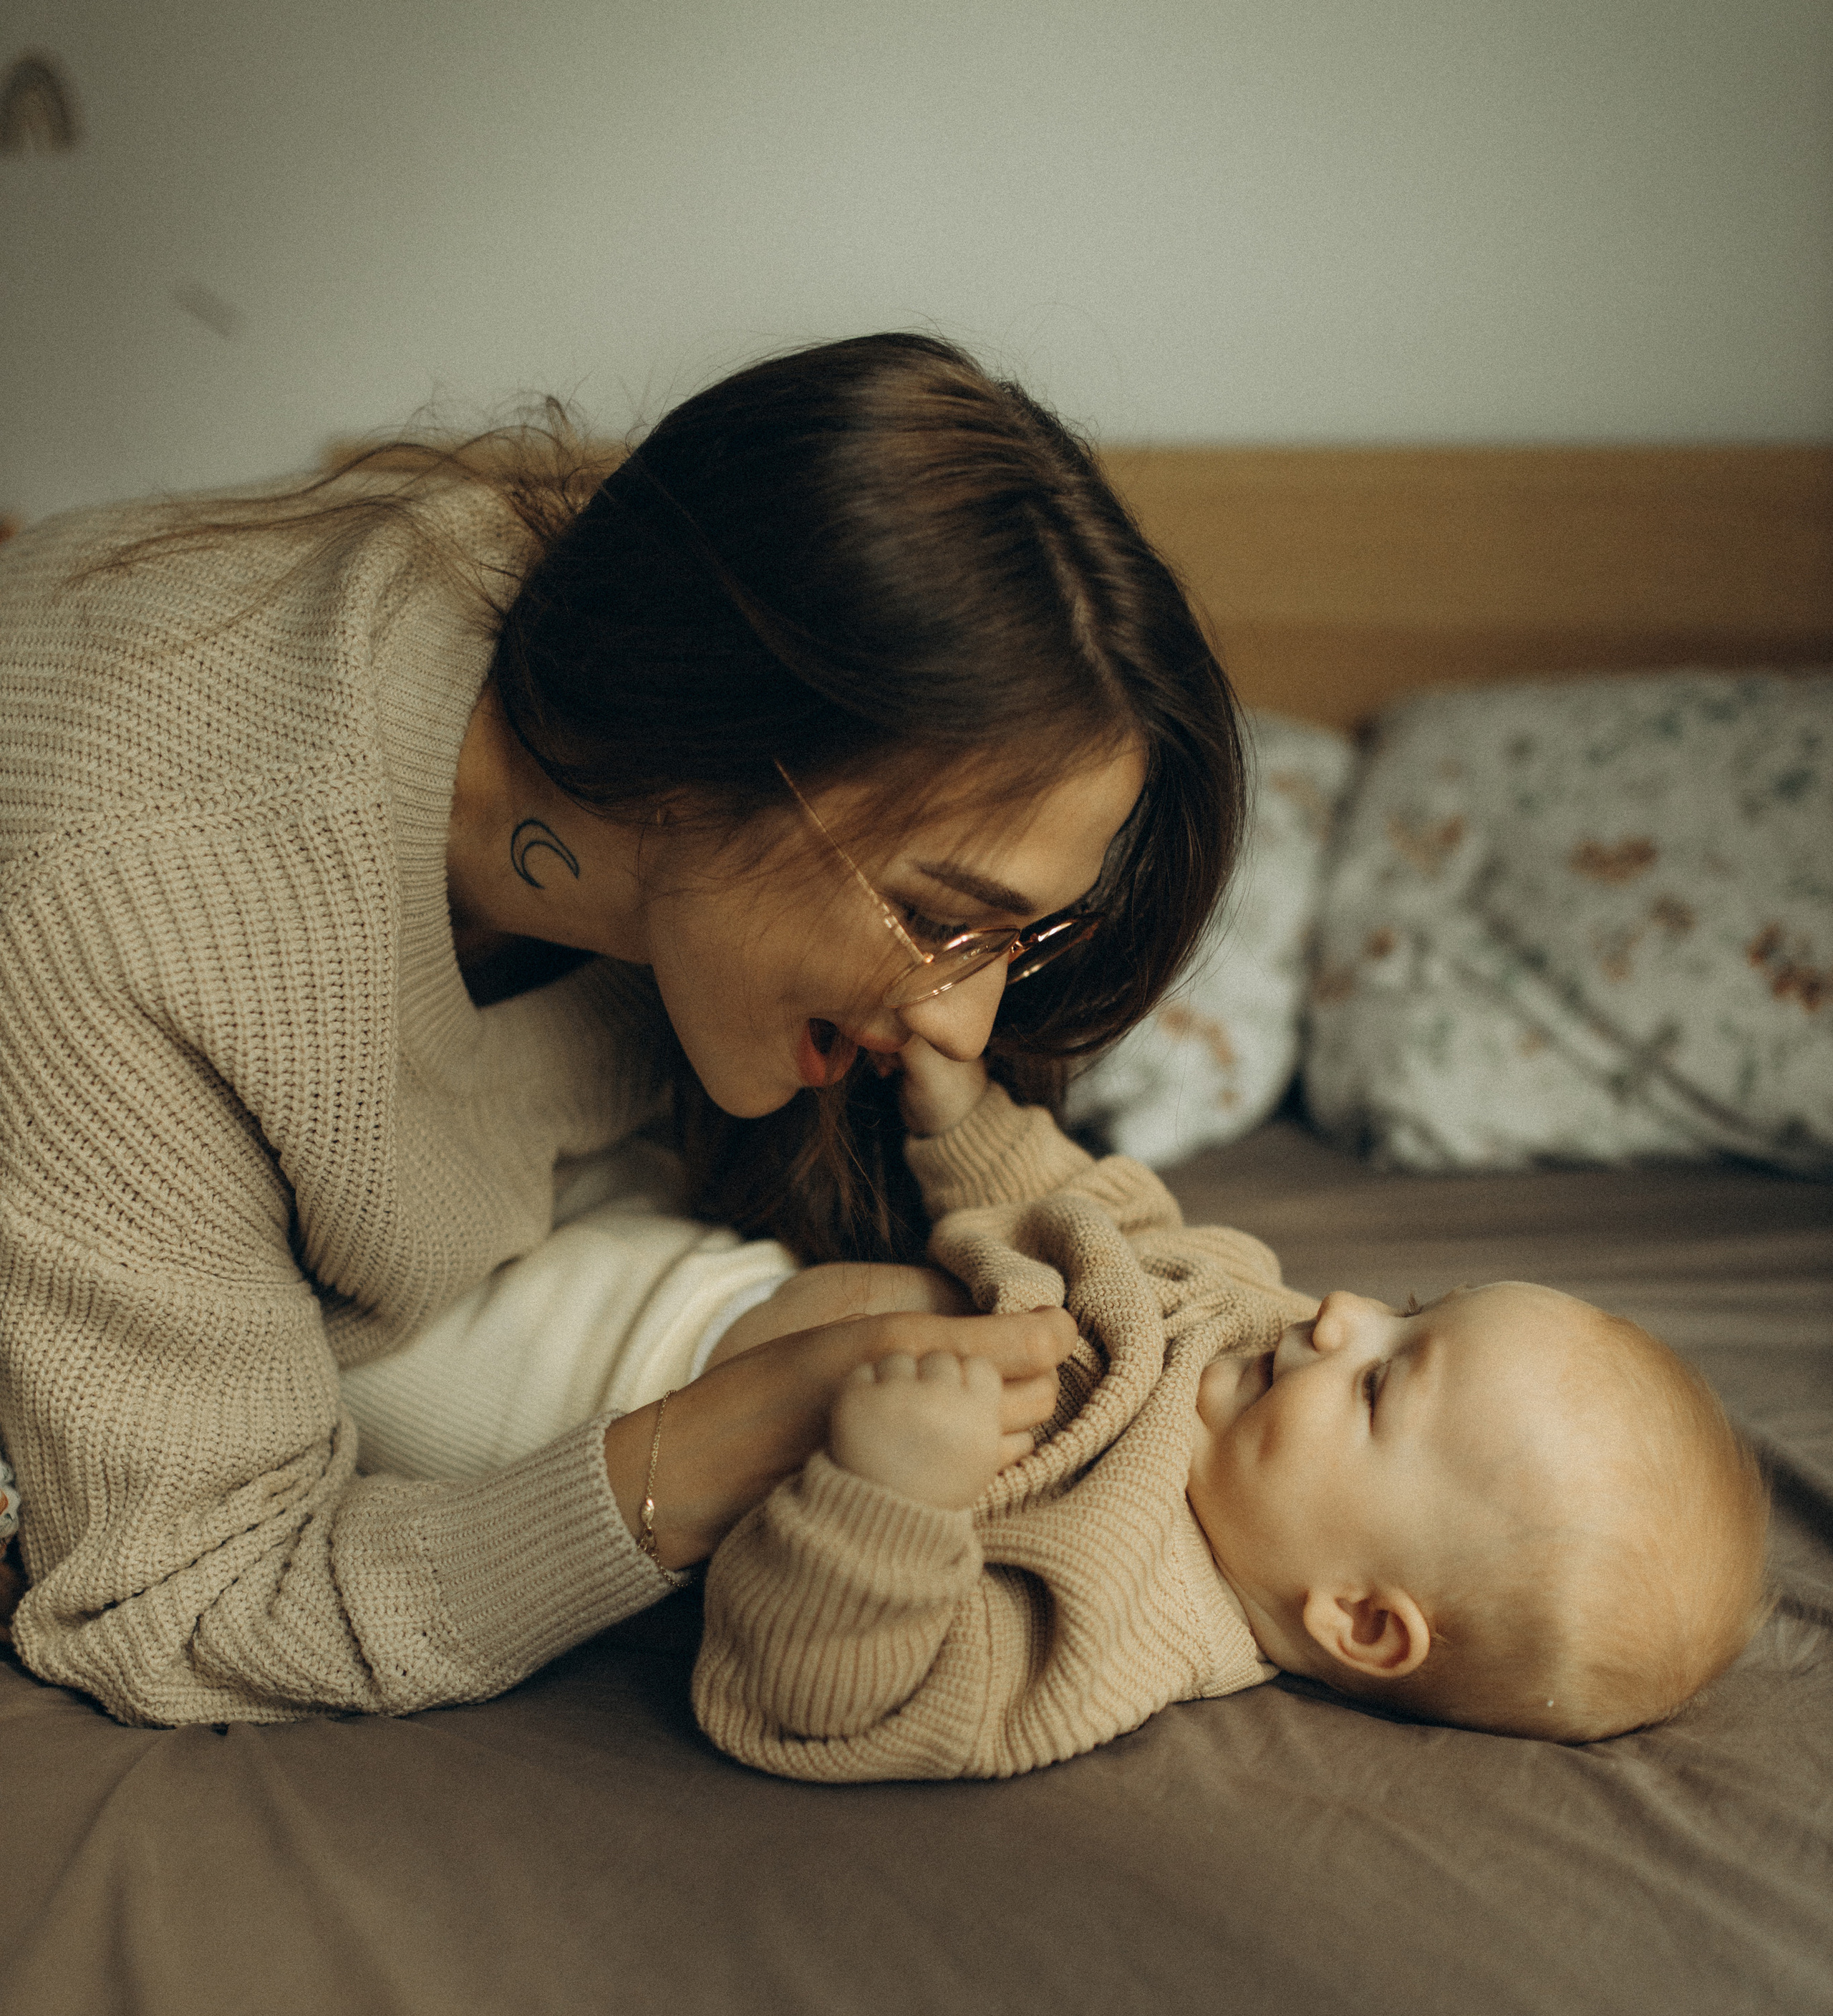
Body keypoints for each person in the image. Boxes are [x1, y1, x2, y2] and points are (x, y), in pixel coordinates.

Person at [0, 333, 1245, 1727]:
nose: (965, 1015)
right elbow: (182, 1596)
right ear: (709, 738)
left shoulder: (652, 674)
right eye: (937, 916)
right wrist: (711, 1444)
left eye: (1014, 938)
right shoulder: (126, 907)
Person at [691, 1046, 1772, 1780]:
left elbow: (824, 1698)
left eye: (1382, 1382)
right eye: (1408, 1310)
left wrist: (887, 1496)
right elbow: (1117, 1225)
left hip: (635, 1385)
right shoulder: (1261, 1330)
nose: (1344, 1314)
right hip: (706, 1242)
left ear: (1360, 1619)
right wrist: (965, 1121)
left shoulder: (1126, 1612)